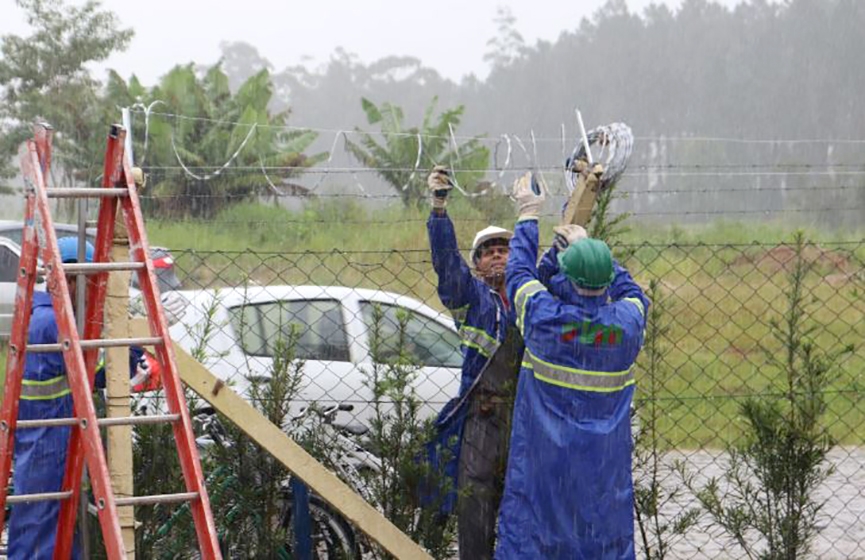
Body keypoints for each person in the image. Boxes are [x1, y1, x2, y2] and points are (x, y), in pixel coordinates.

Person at [495, 174, 649, 559]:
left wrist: (528, 215)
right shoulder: (626, 326)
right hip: (602, 476)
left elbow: (518, 276)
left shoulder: (545, 320)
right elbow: (633, 294)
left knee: (534, 542)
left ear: (567, 275)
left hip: (545, 470)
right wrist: (596, 254)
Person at [9, 237, 152, 559]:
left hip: (48, 435)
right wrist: (132, 345)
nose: (96, 295)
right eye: (92, 284)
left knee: (52, 528)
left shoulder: (42, 316)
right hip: (51, 438)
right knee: (41, 531)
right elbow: (99, 368)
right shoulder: (53, 323)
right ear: (71, 280)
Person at [423, 166, 523, 560]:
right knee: (475, 505)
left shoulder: (531, 297)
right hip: (482, 417)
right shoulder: (471, 298)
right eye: (488, 252)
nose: (497, 256)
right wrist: (439, 211)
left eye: (505, 250)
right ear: (477, 265)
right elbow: (448, 264)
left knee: (523, 503)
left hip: (526, 416)